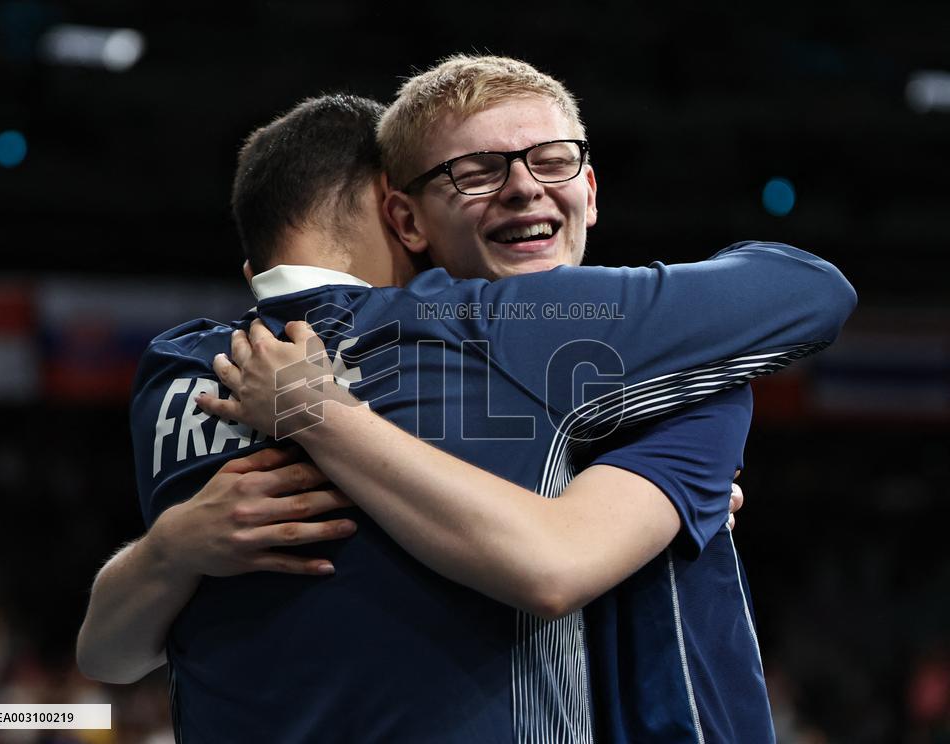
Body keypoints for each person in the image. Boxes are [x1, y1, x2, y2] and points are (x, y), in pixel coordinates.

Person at [78, 57, 855, 743]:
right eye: (477, 172)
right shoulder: (478, 324)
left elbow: (108, 658)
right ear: (404, 220)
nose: (523, 187)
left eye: (553, 161)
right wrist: (170, 547)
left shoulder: (177, 367)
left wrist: (321, 417)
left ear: (590, 187)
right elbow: (810, 288)